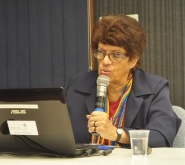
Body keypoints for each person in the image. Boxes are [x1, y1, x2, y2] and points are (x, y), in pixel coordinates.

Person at [65, 14, 181, 148]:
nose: (105, 61)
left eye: (116, 55)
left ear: (133, 60)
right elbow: (57, 133)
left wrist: (116, 133)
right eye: (101, 52)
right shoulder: (77, 85)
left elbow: (162, 137)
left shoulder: (154, 88)